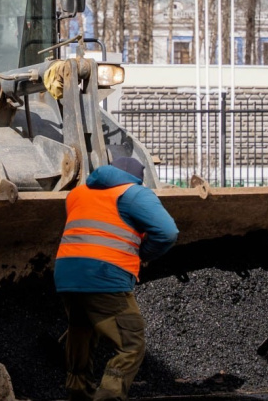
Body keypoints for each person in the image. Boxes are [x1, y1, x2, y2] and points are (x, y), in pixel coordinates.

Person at [54, 157, 179, 400]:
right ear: (136, 178)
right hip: (105, 275)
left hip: (67, 272)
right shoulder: (134, 194)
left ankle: (78, 392)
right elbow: (167, 232)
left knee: (81, 331)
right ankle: (109, 397)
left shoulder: (77, 194)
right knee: (131, 343)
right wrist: (143, 254)